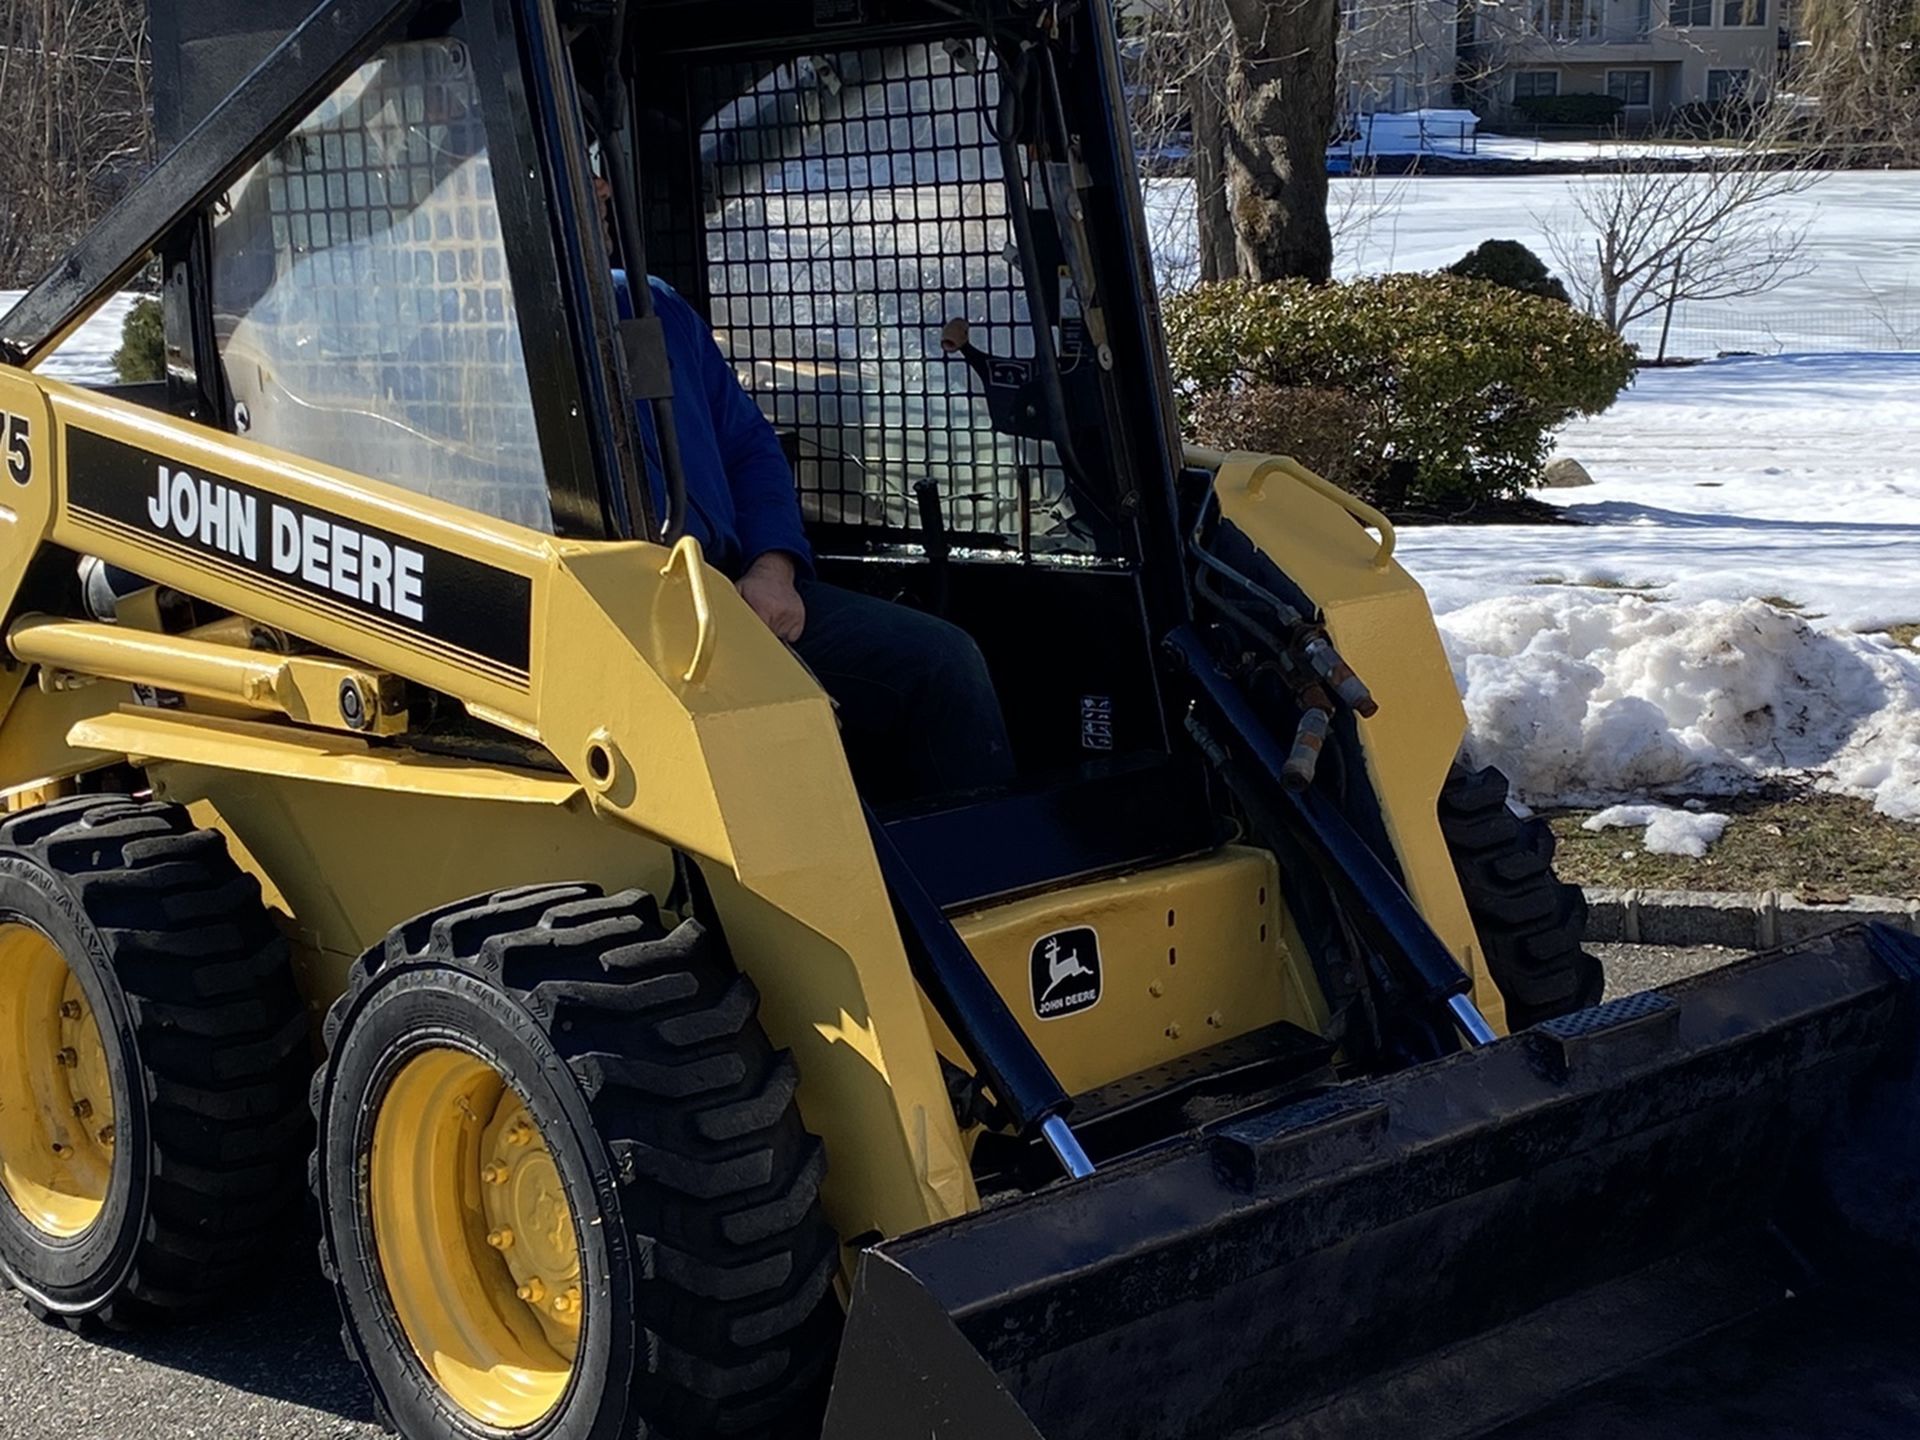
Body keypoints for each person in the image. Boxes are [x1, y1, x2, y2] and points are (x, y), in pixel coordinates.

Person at [624, 272, 1016, 804]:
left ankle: (965, 873)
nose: (600, 189)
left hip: (732, 594)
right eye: (586, 182)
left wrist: (772, 567)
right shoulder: (499, 327)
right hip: (620, 612)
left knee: (939, 664)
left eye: (601, 181)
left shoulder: (651, 304)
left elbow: (749, 449)